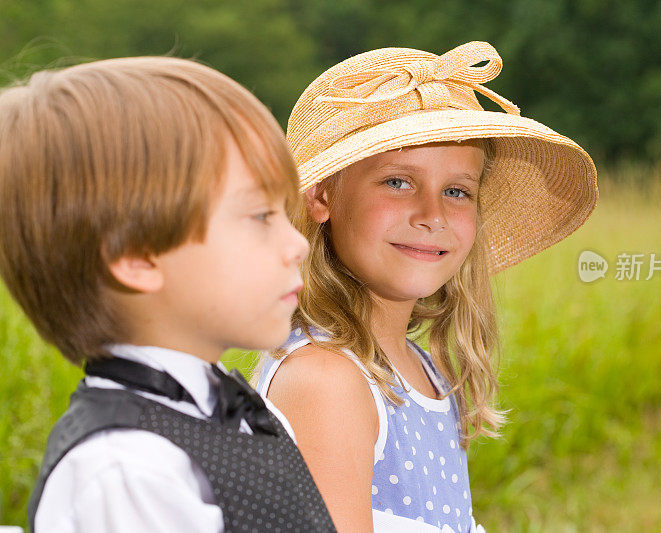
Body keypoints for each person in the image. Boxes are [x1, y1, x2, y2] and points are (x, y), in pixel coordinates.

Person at [253, 41, 599, 532]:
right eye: (397, 182)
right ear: (321, 195)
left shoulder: (424, 369)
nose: (432, 215)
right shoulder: (327, 380)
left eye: (457, 191)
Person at [0, 57, 336, 532]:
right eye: (261, 216)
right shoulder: (126, 471)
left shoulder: (217, 407)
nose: (298, 243)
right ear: (137, 257)